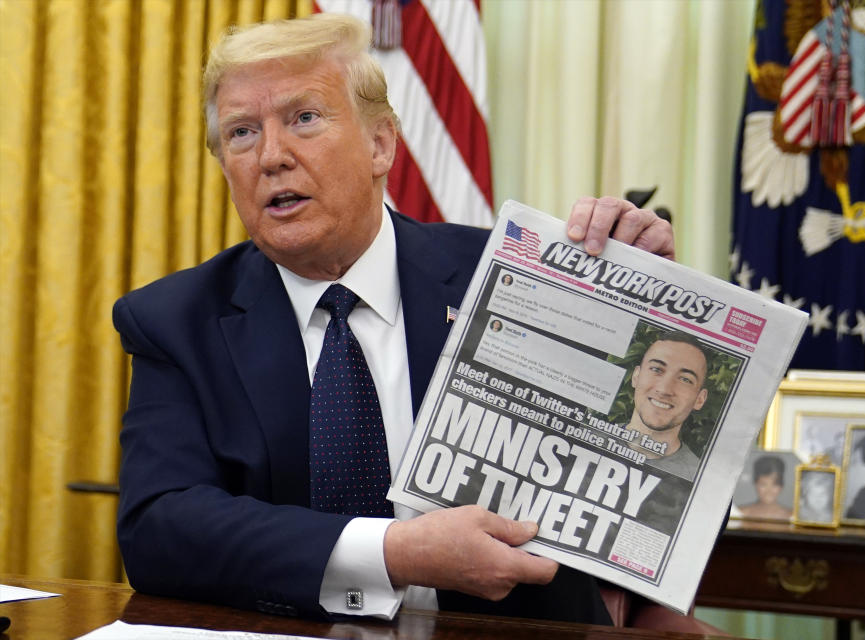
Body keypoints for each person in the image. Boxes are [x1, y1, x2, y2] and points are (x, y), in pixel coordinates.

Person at [112, 14, 675, 625]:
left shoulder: (511, 279)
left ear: (381, 144)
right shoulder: (175, 320)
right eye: (242, 133)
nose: (271, 156)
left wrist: (654, 316)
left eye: (304, 118)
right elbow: (158, 530)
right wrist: (393, 553)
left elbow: (668, 505)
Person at [625, 331, 709, 482]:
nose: (664, 390)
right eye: (656, 369)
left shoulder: (697, 480)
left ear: (700, 399)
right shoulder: (588, 434)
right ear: (636, 376)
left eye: (685, 379)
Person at [737, 456, 792, 520]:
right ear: (756, 484)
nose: (769, 491)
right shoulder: (740, 513)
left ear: (781, 486)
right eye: (763, 484)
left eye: (775, 484)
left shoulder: (792, 516)